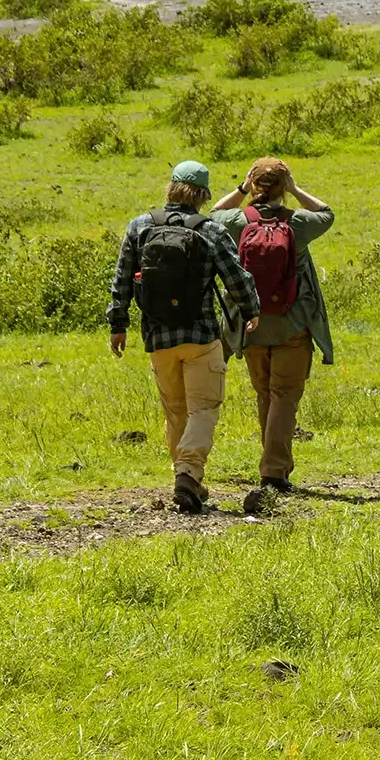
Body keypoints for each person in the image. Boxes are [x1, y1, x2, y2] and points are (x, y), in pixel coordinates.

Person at [108, 160, 262, 514]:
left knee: (175, 411)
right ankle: (189, 476)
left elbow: (120, 282)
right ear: (203, 195)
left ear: (171, 188)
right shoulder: (210, 231)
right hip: (201, 336)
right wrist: (251, 310)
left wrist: (118, 325)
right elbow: (236, 278)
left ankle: (187, 476)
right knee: (203, 408)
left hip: (157, 338)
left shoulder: (139, 227)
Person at [210, 157, 334, 494]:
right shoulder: (298, 224)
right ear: (283, 188)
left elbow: (212, 214)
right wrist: (294, 189)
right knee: (285, 395)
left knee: (266, 394)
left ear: (254, 185)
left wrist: (240, 189)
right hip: (292, 323)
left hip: (250, 325)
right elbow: (326, 213)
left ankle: (273, 463)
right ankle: (274, 470)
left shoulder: (237, 222)